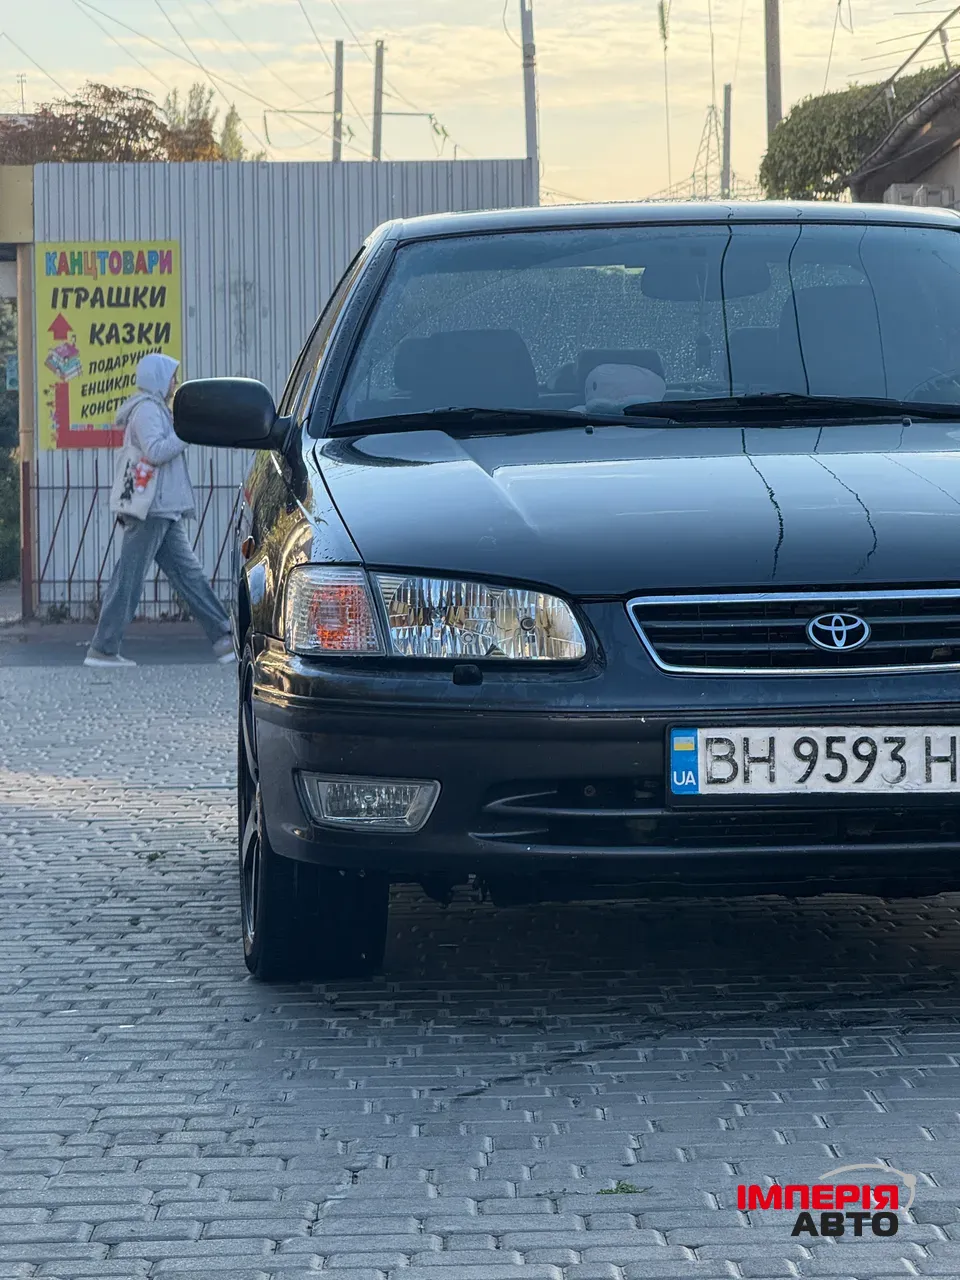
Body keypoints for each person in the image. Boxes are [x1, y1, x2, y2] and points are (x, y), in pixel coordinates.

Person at [84, 353, 234, 669]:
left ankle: (224, 639)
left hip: (162, 509)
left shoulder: (156, 410)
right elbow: (155, 452)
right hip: (151, 510)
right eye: (172, 377)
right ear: (158, 379)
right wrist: (186, 434)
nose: (175, 384)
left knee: (189, 576)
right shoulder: (147, 411)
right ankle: (103, 648)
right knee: (131, 578)